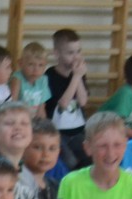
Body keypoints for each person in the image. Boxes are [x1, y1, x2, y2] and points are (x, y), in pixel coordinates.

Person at [45, 29, 90, 169]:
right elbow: (63, 104)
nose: (76, 57)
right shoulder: (50, 75)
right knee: (69, 162)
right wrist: (76, 77)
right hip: (58, 131)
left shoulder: (78, 73)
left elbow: (83, 101)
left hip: (78, 130)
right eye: (70, 53)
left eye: (78, 51)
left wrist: (78, 77)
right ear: (57, 54)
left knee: (89, 157)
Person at [10, 41, 50, 119]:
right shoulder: (17, 78)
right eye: (31, 64)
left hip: (36, 114)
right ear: (21, 63)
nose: (36, 69)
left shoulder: (43, 79)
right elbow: (12, 101)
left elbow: (42, 103)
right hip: (20, 114)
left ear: (45, 66)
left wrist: (42, 118)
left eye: (40, 65)